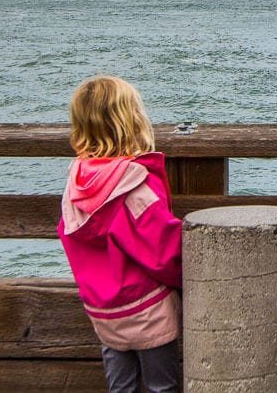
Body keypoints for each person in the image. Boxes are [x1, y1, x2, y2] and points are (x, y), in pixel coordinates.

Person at [58, 75, 182, 393]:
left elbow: (70, 237)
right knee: (161, 387)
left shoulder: (76, 184)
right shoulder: (135, 186)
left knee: (120, 388)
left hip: (103, 308)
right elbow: (165, 252)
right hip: (147, 308)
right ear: (132, 120)